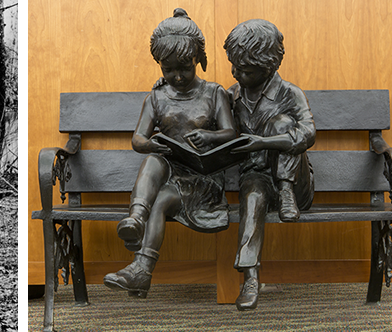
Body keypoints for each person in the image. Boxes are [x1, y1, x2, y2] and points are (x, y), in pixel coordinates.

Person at [103, 8, 236, 297]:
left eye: (184, 68)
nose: (176, 76)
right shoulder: (157, 96)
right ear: (160, 65)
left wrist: (209, 136)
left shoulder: (214, 93)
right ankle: (136, 220)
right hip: (169, 171)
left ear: (198, 60)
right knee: (154, 159)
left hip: (203, 179)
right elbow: (138, 139)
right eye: (168, 69)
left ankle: (141, 271)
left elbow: (231, 134)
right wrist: (153, 144)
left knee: (162, 199)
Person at [224, 19, 316, 310]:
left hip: (297, 187)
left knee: (284, 124)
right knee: (251, 195)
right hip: (257, 175)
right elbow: (203, 106)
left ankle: (285, 188)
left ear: (269, 68)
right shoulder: (233, 95)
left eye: (246, 71)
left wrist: (263, 142)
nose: (237, 74)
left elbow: (307, 133)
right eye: (235, 68)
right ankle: (250, 279)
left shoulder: (290, 94)